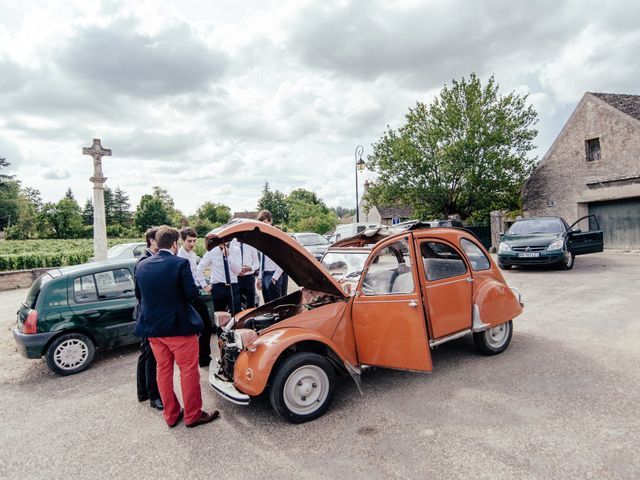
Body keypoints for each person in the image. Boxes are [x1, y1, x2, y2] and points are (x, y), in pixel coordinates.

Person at [135, 226, 219, 429]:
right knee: (188, 371)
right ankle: (192, 415)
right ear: (174, 244)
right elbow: (191, 294)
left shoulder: (142, 265)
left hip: (153, 330)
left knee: (163, 370)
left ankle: (171, 415)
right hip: (178, 328)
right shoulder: (179, 263)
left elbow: (139, 295)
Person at [134, 227, 162, 411]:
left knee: (145, 354)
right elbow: (141, 292)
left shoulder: (145, 259)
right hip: (148, 314)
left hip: (146, 312)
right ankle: (153, 396)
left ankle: (142, 392)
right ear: (152, 240)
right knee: (151, 356)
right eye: (159, 238)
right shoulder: (145, 261)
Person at [178, 227, 213, 367]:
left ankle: (203, 357)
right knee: (197, 328)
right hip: (188, 296)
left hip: (196, 292)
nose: (192, 244)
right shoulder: (179, 257)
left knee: (206, 326)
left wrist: (204, 285)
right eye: (189, 241)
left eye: (194, 241)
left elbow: (196, 274)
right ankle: (199, 358)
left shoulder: (192, 254)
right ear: (182, 240)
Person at [196, 239, 242, 315]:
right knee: (220, 316)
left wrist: (228, 257)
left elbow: (238, 270)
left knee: (236, 314)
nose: (222, 241)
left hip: (233, 286)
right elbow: (199, 269)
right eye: (220, 239)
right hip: (218, 288)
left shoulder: (236, 250)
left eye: (225, 238)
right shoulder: (211, 252)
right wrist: (204, 285)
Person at [256, 210, 284, 303]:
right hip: (264, 275)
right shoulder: (262, 238)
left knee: (276, 306)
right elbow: (262, 260)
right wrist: (260, 278)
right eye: (261, 223)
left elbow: (282, 260)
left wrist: (275, 277)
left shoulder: (276, 237)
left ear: (270, 221)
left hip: (273, 275)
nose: (263, 225)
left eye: (265, 223)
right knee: (267, 306)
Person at [237, 241, 260, 309]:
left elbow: (257, 264)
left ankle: (250, 319)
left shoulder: (251, 245)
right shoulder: (231, 244)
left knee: (251, 304)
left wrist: (250, 268)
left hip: (249, 278)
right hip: (235, 279)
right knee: (236, 304)